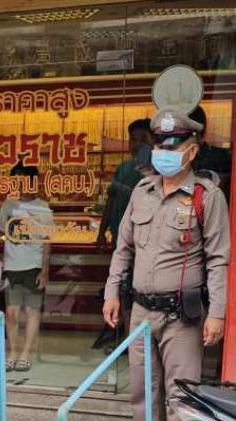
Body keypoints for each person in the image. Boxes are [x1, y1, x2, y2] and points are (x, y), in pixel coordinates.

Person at [102, 108, 230, 421]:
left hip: (181, 315)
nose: (164, 153)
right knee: (143, 390)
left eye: (173, 146)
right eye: (160, 145)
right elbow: (123, 248)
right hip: (141, 311)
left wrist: (217, 313)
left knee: (180, 393)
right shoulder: (141, 192)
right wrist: (112, 292)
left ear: (192, 150)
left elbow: (218, 259)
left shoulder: (206, 196)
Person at [94, 119, 153, 349]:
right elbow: (110, 202)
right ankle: (127, 343)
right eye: (133, 139)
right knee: (121, 292)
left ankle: (135, 344)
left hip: (145, 246)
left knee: (136, 296)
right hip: (121, 241)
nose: (136, 144)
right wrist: (102, 232)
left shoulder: (155, 173)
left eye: (142, 139)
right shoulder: (123, 168)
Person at [0, 163, 54, 373]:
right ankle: (12, 353)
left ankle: (26, 354)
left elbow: (47, 242)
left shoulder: (43, 206)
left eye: (24, 179)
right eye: (17, 180)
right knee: (11, 313)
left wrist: (45, 271)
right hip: (12, 267)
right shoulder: (8, 205)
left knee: (32, 311)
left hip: (33, 267)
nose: (21, 184)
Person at [188, 106, 233, 199]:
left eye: (187, 133)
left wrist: (214, 177)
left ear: (200, 133)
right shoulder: (168, 157)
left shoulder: (221, 156)